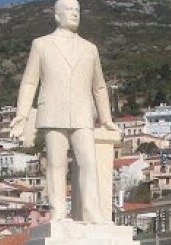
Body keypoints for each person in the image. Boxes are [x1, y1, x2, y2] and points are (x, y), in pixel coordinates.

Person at [9, 0, 119, 224]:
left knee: (88, 162)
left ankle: (92, 213)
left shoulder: (90, 49)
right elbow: (30, 82)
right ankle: (58, 212)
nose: (74, 14)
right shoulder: (41, 44)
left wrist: (106, 118)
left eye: (77, 10)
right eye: (69, 10)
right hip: (52, 110)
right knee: (56, 164)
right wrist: (22, 115)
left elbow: (98, 86)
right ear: (57, 16)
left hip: (82, 113)